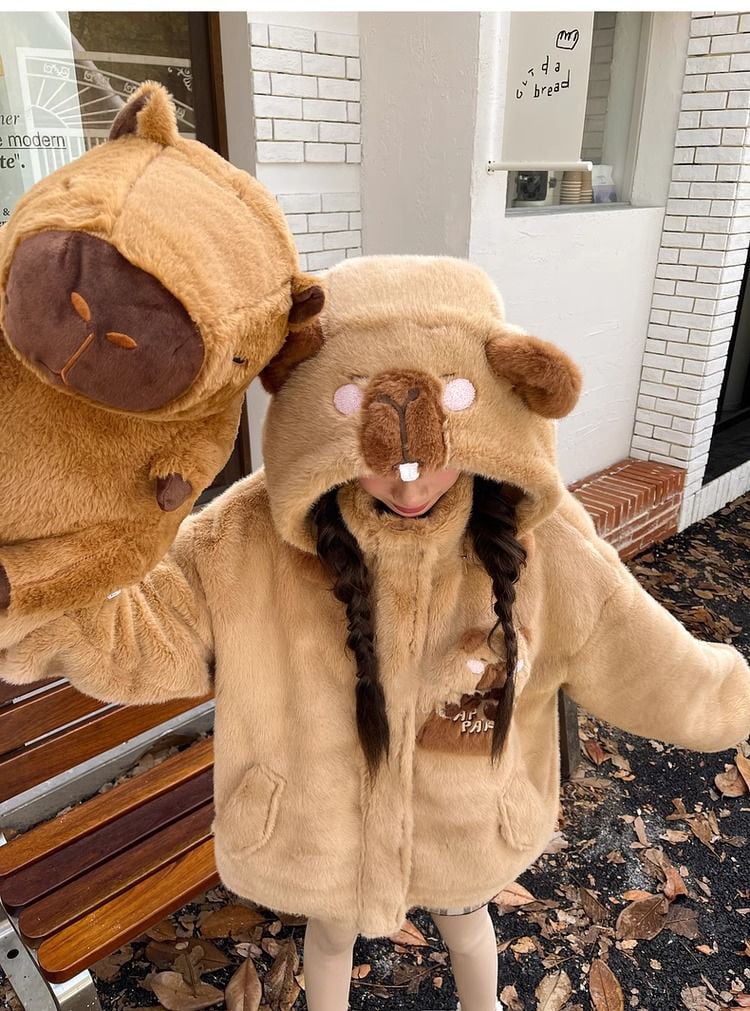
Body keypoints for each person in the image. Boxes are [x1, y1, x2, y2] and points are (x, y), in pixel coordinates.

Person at [2, 254, 749, 1011]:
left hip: (467, 820)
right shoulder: (243, 540)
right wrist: (31, 597)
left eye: (440, 456)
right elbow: (149, 631)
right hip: (319, 829)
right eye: (375, 458)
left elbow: (636, 648)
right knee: (330, 937)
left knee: (468, 924)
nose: (409, 483)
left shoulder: (543, 545)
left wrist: (730, 697)